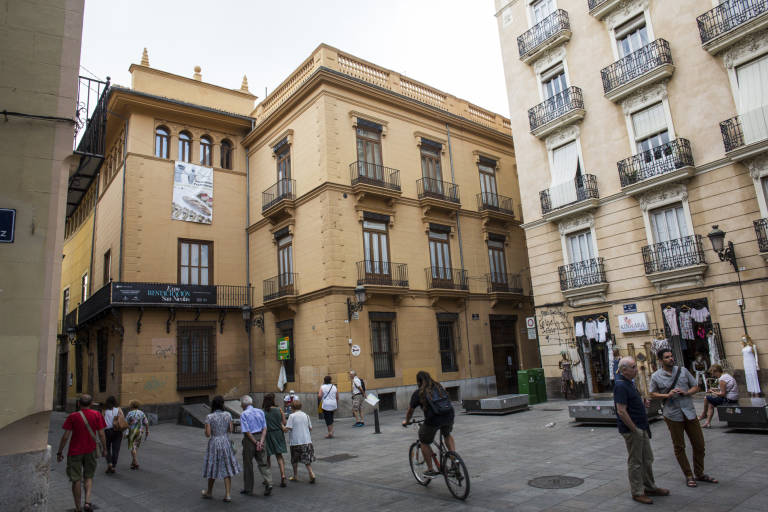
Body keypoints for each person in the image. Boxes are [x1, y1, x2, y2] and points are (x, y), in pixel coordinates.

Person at [650, 349, 718, 488]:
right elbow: (652, 394)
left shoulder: (683, 371)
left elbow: (696, 387)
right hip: (672, 414)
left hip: (689, 412)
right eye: (667, 357)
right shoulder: (656, 376)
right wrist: (667, 395)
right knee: (679, 446)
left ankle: (699, 473)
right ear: (661, 361)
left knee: (699, 444)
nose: (671, 359)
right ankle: (688, 475)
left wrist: (686, 392)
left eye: (671, 356)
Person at [613, 357, 669, 504]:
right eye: (633, 367)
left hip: (641, 426)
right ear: (624, 370)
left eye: (636, 366)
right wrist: (634, 429)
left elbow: (630, 403)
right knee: (636, 461)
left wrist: (642, 402)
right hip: (633, 429)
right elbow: (621, 411)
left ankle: (650, 486)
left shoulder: (629, 383)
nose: (636, 369)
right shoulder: (620, 385)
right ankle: (637, 492)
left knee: (647, 458)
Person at [56, 394, 107, 512]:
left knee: (76, 479)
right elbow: (101, 434)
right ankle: (87, 502)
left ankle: (78, 508)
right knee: (89, 476)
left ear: (78, 404)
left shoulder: (73, 416)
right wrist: (104, 449)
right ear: (91, 404)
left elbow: (65, 437)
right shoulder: (97, 415)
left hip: (75, 452)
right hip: (91, 450)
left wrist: (59, 452)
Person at [401, 371, 455, 477]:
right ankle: (455, 461)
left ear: (418, 381)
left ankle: (430, 469)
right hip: (449, 415)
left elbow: (410, 411)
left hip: (433, 419)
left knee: (424, 441)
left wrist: (406, 421)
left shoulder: (418, 393)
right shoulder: (439, 387)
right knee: (447, 434)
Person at [202, 395, 241, 502]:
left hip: (214, 442)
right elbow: (230, 429)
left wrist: (206, 430)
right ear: (222, 404)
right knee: (227, 467)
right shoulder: (228, 415)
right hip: (225, 441)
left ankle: (209, 492)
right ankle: (228, 494)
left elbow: (208, 434)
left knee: (212, 466)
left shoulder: (209, 417)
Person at [239, 394, 272, 496]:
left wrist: (255, 442)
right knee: (263, 462)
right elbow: (264, 428)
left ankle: (248, 488)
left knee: (248, 464)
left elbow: (247, 431)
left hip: (250, 441)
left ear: (243, 405)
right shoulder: (260, 411)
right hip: (261, 437)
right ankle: (269, 482)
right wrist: (261, 441)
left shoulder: (244, 414)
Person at [285, 399, 316, 483]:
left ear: (292, 407)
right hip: (307, 441)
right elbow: (310, 428)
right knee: (306, 460)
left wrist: (281, 426)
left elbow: (287, 429)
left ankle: (295, 476)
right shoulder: (306, 415)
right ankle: (311, 473)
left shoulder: (292, 416)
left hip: (296, 442)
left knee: (294, 460)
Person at [699, 364, 739, 428]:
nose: (713, 375)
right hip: (733, 397)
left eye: (713, 373)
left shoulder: (722, 379)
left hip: (729, 400)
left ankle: (704, 414)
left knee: (706, 397)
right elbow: (725, 389)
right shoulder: (726, 375)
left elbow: (722, 394)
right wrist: (714, 390)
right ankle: (707, 422)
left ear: (716, 371)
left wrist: (712, 392)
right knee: (710, 404)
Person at [262, 393, 288, 487]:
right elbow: (284, 422)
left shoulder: (263, 412)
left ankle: (268, 479)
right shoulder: (279, 410)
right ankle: (283, 476)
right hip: (278, 434)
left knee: (267, 457)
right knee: (279, 456)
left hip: (268, 435)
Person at [102, 396, 124, 474]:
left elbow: (102, 420)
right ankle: (114, 466)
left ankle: (109, 463)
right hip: (117, 431)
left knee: (107, 448)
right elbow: (122, 419)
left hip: (107, 431)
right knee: (116, 449)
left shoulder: (104, 410)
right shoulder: (119, 409)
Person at [125, 400, 149, 470]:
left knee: (133, 447)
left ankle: (135, 462)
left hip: (132, 432)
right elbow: (146, 422)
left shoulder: (129, 413)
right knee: (135, 447)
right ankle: (133, 464)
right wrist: (147, 431)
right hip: (140, 432)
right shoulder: (141, 413)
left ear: (131, 406)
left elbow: (126, 423)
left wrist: (126, 431)